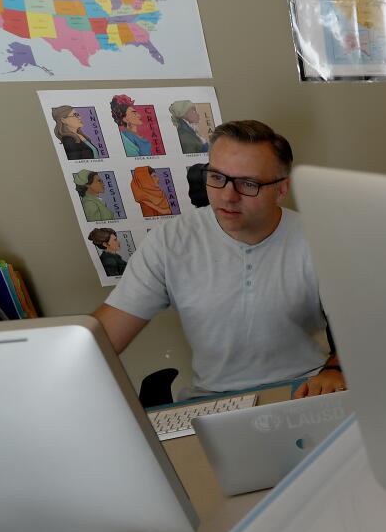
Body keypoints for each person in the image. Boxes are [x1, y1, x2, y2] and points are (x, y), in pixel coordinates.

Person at [92, 120, 345, 397]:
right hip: (214, 396)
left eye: (248, 183)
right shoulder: (171, 241)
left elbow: (365, 331)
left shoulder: (320, 238)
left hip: (305, 387)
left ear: (282, 189)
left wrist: (336, 368)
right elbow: (105, 336)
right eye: (217, 177)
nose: (227, 196)